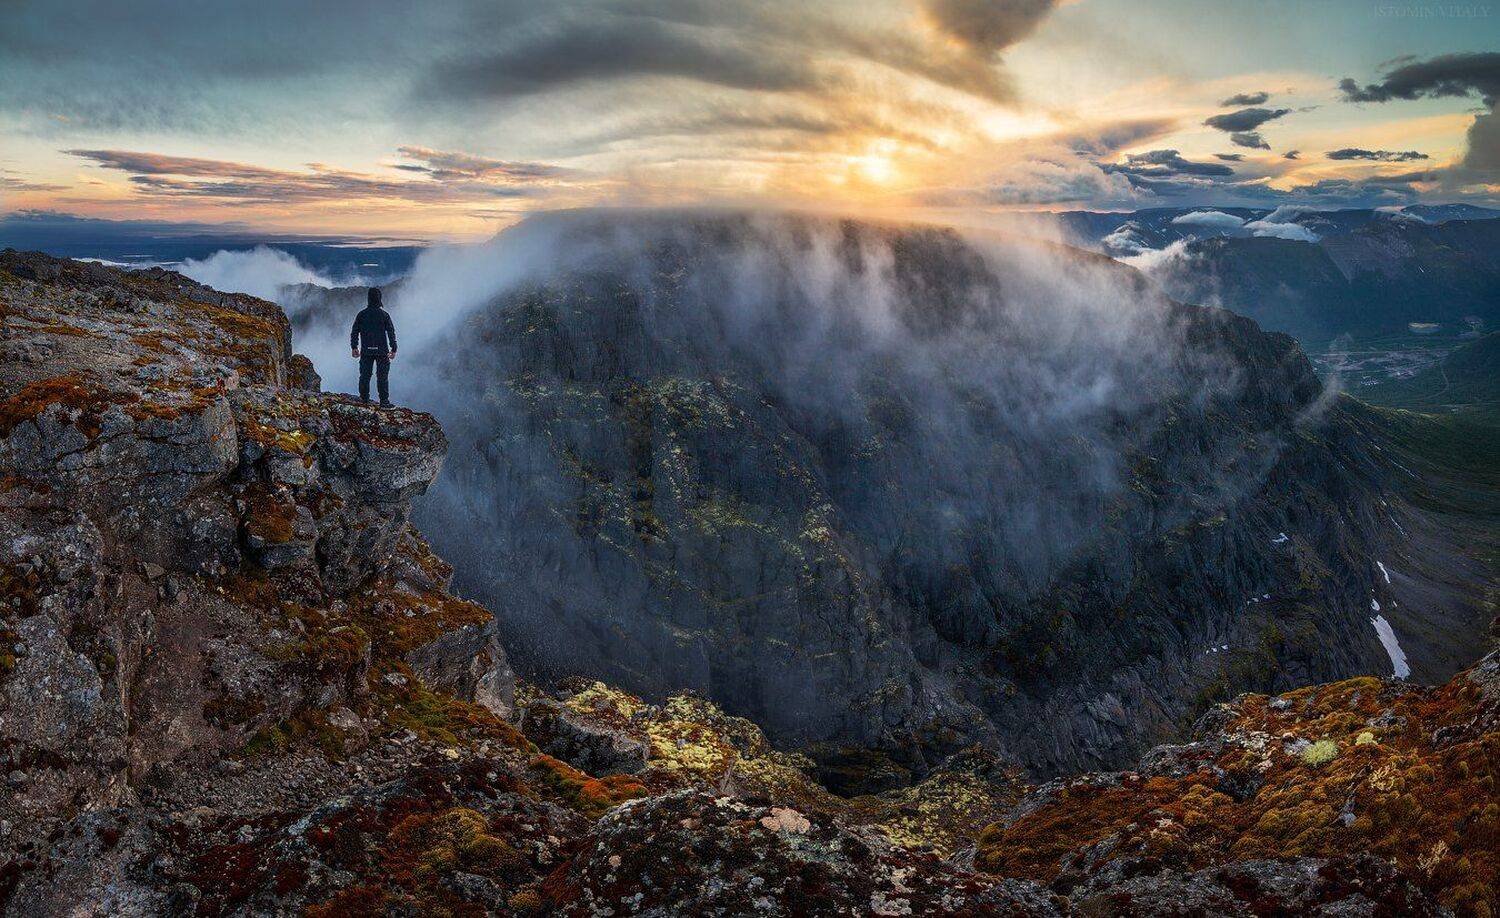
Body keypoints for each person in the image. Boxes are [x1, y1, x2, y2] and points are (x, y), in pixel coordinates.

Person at [350, 287, 398, 407]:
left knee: (365, 376)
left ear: (368, 299)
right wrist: (394, 349)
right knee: (382, 377)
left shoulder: (361, 315)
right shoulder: (384, 315)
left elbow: (354, 331)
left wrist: (354, 347)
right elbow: (391, 332)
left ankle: (364, 399)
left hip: (366, 351)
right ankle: (384, 402)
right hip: (382, 351)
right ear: (379, 299)